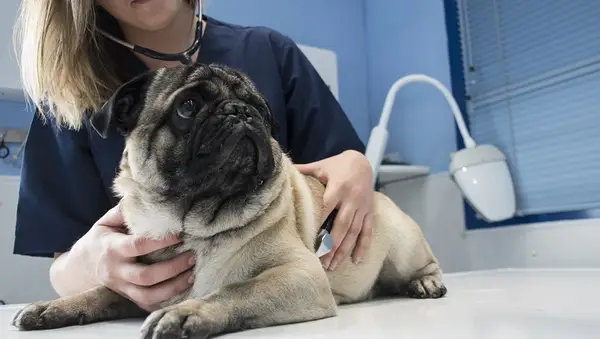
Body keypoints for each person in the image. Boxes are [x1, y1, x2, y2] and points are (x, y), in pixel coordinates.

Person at [12, 0, 374, 312]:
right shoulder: (69, 100)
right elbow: (63, 266)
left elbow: (335, 184)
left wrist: (357, 166)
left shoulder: (270, 53)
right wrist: (88, 266)